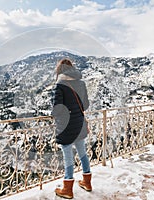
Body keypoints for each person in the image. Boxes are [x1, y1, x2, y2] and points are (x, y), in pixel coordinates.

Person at [52, 58, 92, 199]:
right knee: (82, 153)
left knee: (68, 156)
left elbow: (57, 109)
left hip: (66, 126)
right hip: (79, 123)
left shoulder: (60, 85)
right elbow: (85, 105)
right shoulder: (81, 83)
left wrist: (56, 115)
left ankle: (68, 189)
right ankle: (87, 182)